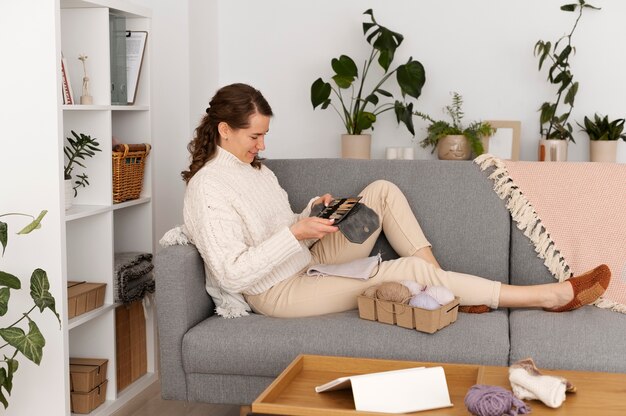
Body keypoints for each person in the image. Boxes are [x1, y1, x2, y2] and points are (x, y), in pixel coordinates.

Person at [181, 83, 611, 319]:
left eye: (264, 135)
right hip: (276, 291)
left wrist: (310, 213)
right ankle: (547, 296)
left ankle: (443, 287)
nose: (261, 144)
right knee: (403, 270)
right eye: (254, 136)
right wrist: (295, 232)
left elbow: (283, 226)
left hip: (305, 259)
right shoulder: (207, 188)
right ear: (223, 130)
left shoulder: (258, 171)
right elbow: (233, 273)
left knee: (381, 190)